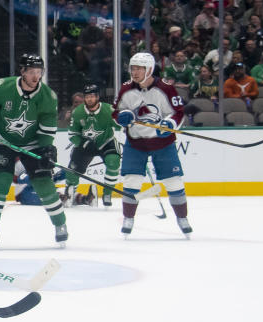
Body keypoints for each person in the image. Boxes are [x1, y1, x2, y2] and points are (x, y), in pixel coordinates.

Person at [0, 53, 68, 247]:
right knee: (1, 182)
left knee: (44, 183)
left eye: (39, 72)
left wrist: (46, 149)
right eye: (31, 72)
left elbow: (47, 128)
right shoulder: (3, 87)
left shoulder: (48, 97)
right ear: (22, 71)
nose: (36, 77)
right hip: (4, 141)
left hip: (33, 143)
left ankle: (60, 224)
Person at [114, 53, 191, 237]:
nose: (135, 72)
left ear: (149, 69)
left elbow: (178, 112)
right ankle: (128, 218)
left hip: (163, 143)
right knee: (131, 180)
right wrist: (122, 117)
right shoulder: (125, 88)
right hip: (136, 143)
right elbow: (116, 112)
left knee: (173, 182)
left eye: (139, 68)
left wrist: (170, 124)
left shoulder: (166, 88)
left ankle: (182, 218)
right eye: (133, 68)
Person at [62, 84, 120, 208]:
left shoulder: (109, 110)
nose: (89, 99)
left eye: (92, 96)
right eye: (87, 96)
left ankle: (107, 193)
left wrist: (126, 121)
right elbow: (73, 134)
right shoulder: (78, 112)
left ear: (97, 97)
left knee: (113, 161)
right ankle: (70, 193)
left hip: (106, 142)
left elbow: (120, 125)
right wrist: (83, 143)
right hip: (86, 144)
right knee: (72, 169)